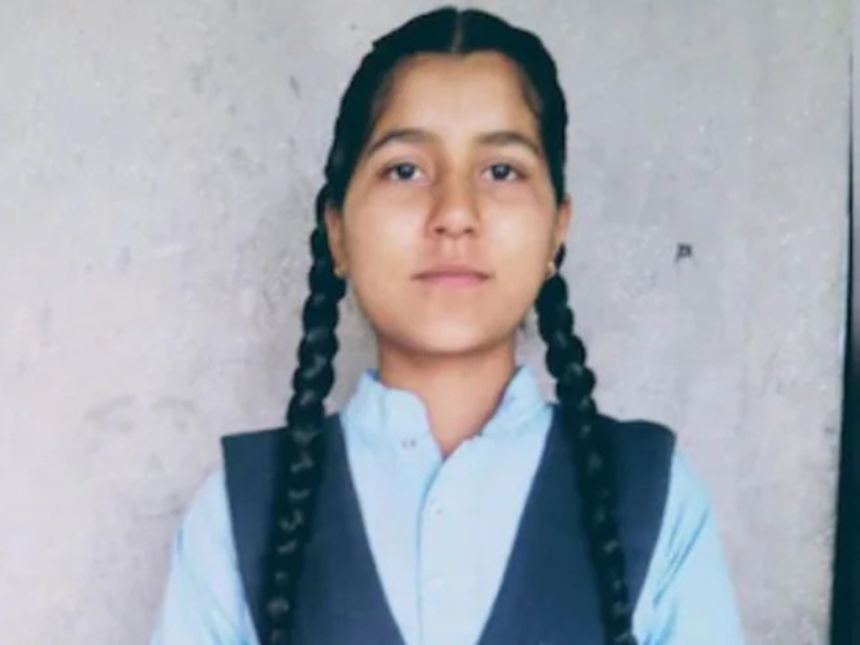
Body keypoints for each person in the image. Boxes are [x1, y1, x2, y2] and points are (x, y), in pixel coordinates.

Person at [150, 6, 746, 645]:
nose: (455, 213)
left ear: (557, 229)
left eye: (501, 170)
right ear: (338, 232)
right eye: (405, 169)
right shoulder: (239, 513)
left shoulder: (654, 498)